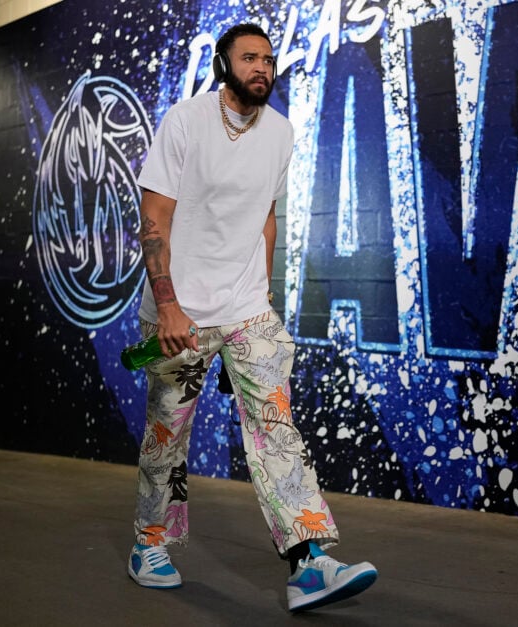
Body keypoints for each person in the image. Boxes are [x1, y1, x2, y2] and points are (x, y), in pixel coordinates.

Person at [126, 23, 377, 612]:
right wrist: (166, 304)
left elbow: (265, 216)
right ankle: (150, 543)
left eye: (267, 59)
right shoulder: (185, 121)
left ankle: (310, 563)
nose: (262, 67)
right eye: (249, 58)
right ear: (223, 64)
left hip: (245, 310)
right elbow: (154, 217)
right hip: (179, 312)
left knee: (276, 429)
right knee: (168, 438)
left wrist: (263, 298)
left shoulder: (282, 132)